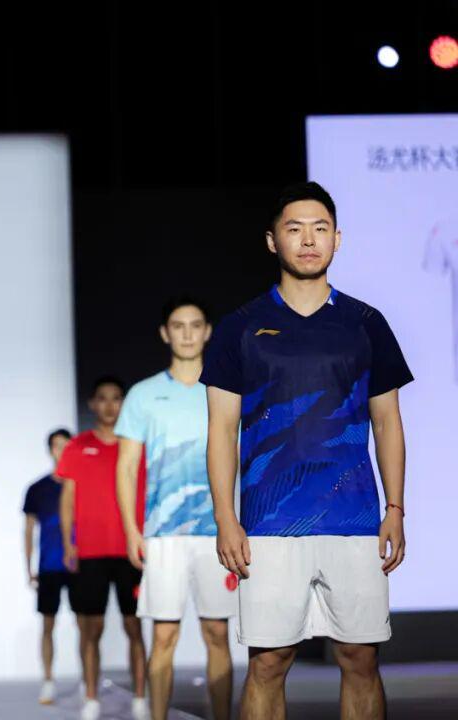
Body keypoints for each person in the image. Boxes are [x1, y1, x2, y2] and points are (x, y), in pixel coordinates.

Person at [203, 181, 413, 720]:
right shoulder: (239, 327)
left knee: (360, 658)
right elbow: (221, 430)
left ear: (337, 239)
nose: (308, 240)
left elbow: (387, 421)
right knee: (268, 663)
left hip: (355, 519)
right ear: (272, 240)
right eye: (294, 229)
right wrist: (225, 517)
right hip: (269, 523)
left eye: (320, 228)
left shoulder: (366, 323)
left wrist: (394, 508)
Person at [115, 297, 236, 720]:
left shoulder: (226, 389)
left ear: (207, 331)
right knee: (163, 635)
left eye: (195, 325)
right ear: (165, 333)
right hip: (163, 533)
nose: (187, 334)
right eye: (178, 326)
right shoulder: (143, 395)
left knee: (217, 632)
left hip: (217, 532)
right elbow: (126, 467)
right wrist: (132, 530)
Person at [58, 377, 149, 720]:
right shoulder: (77, 446)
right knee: (91, 629)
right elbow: (67, 499)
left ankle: (140, 699)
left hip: (131, 550)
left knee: (134, 627)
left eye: (116, 398)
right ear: (92, 404)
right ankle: (91, 698)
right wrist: (68, 542)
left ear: (124, 403)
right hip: (91, 551)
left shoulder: (137, 445)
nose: (110, 405)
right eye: (103, 398)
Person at [22, 428, 73, 705]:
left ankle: (88, 681)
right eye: (57, 446)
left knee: (88, 625)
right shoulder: (38, 489)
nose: (62, 451)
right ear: (50, 450)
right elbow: (29, 530)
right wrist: (28, 567)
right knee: (48, 624)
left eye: (67, 446)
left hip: (79, 564)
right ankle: (49, 680)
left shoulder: (82, 484)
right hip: (49, 565)